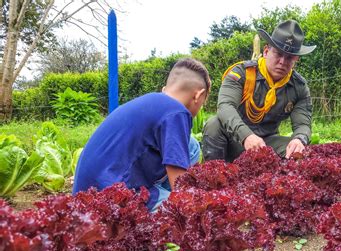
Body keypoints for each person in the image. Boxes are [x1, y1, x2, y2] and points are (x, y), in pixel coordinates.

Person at [73, 58, 211, 212]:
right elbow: (180, 185)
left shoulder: (152, 102)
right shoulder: (176, 112)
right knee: (180, 213)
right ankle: (154, 205)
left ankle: (157, 194)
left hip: (88, 191)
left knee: (191, 146)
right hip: (111, 199)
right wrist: (198, 209)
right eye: (202, 104)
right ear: (198, 95)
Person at [202, 19, 315, 162]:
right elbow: (225, 107)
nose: (282, 62)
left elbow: (303, 124)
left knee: (298, 153)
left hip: (267, 143)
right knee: (213, 125)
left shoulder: (299, 86)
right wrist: (246, 136)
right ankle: (216, 175)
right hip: (234, 140)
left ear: (296, 59)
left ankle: (272, 182)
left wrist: (300, 139)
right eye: (278, 54)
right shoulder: (242, 73)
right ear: (266, 51)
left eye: (289, 57)